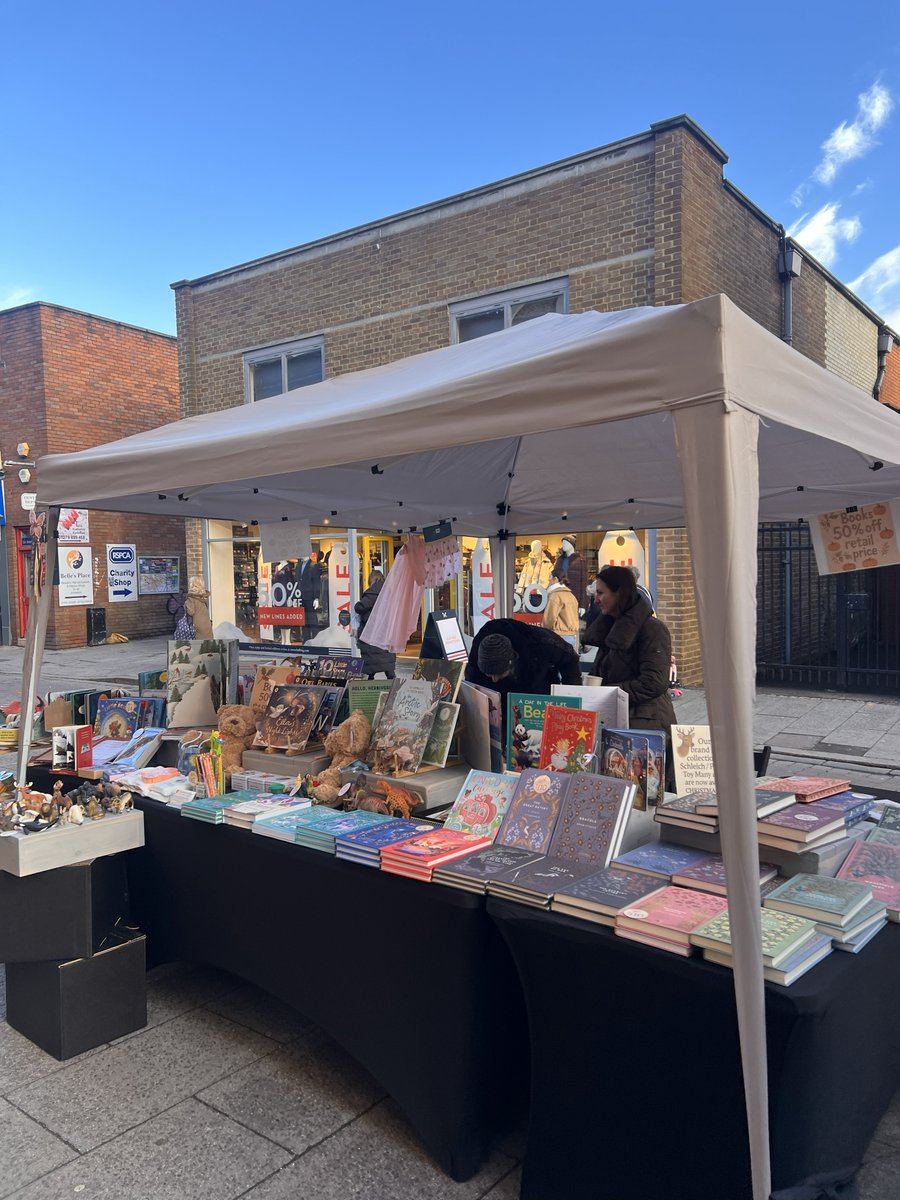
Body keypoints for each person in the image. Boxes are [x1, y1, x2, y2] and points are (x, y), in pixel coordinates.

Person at [582, 564, 677, 790]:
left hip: (647, 724)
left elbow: (654, 682)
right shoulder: (610, 628)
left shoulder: (653, 630)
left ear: (619, 593)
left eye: (601, 593)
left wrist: (609, 692)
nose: (596, 599)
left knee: (643, 793)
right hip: (621, 721)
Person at [466, 617, 582, 736]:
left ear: (512, 661)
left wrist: (570, 701)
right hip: (500, 706)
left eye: (499, 674)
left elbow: (570, 658)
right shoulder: (476, 658)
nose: (494, 679)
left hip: (537, 695)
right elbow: (472, 692)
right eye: (488, 674)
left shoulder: (540, 642)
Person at [354, 570, 396, 679]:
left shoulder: (372, 593)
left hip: (372, 632)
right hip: (386, 631)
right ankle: (393, 683)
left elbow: (360, 607)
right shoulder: (390, 592)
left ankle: (370, 684)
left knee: (371, 662)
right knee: (386, 659)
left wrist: (358, 604)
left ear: (372, 580)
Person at [541, 569, 580, 646]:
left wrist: (545, 630)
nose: (548, 579)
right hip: (572, 635)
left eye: (550, 577)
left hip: (559, 634)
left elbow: (549, 619)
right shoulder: (571, 596)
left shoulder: (555, 596)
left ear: (555, 579)